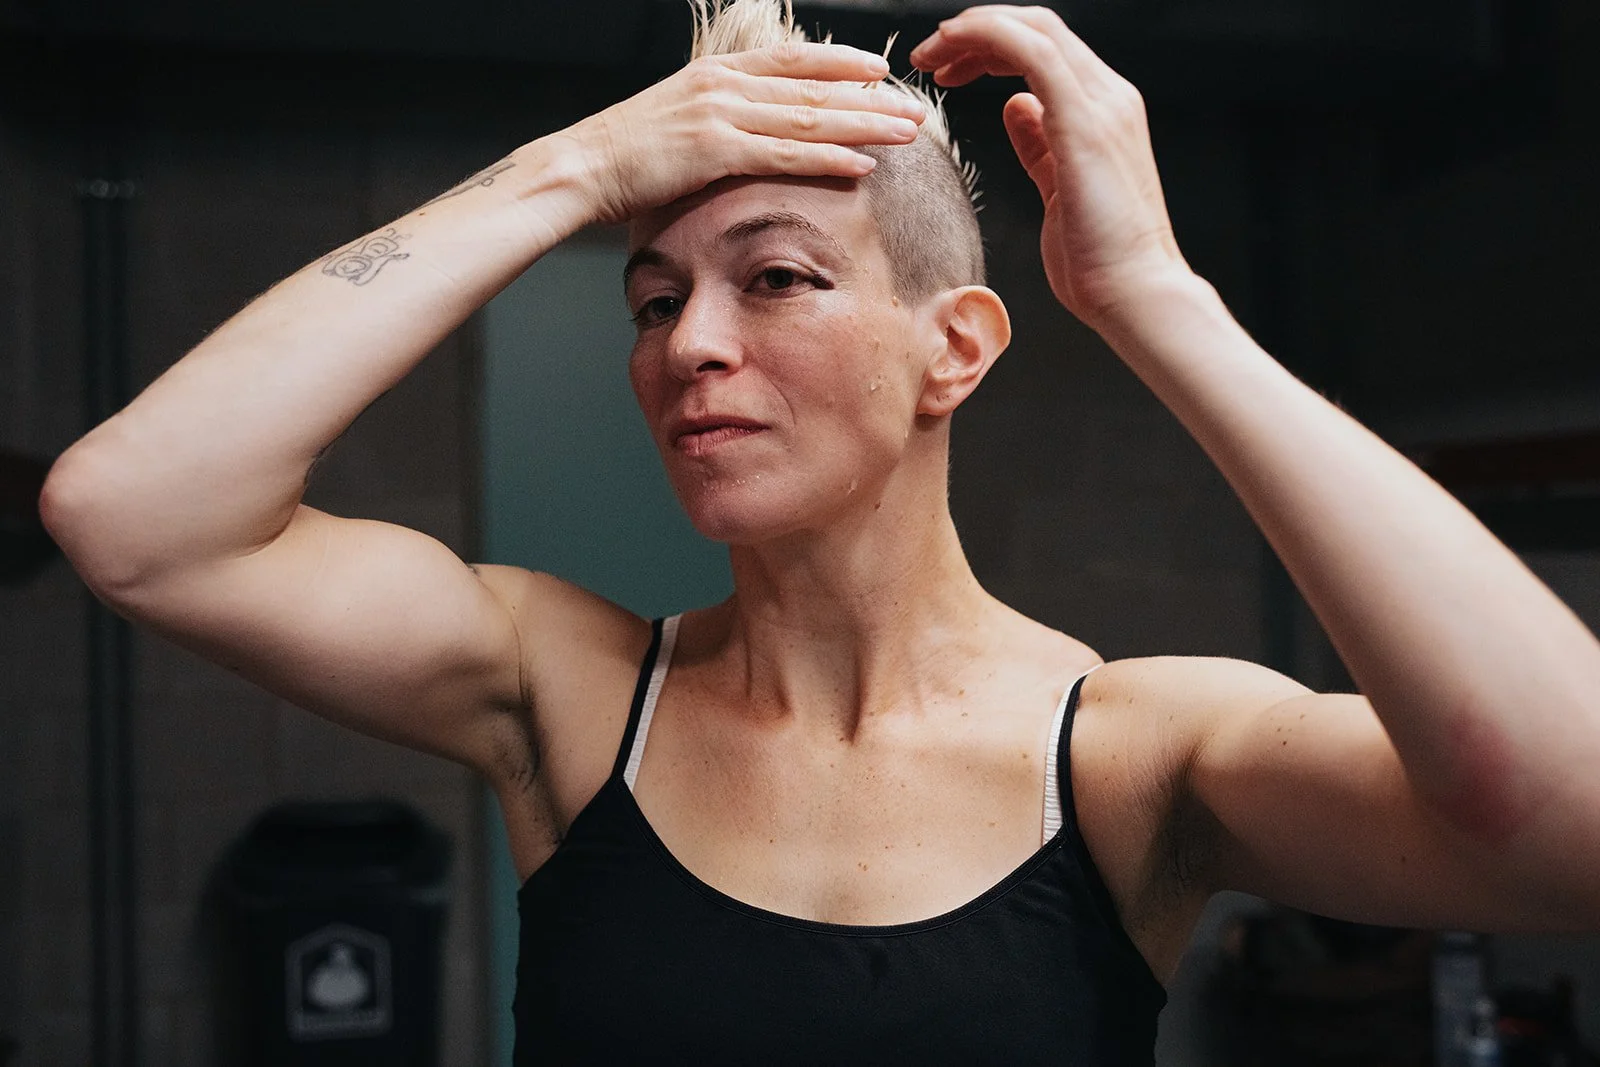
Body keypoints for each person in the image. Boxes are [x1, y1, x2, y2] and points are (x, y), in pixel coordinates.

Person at [40, 0, 1600, 1062]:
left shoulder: (1131, 753)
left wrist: (1161, 307)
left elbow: (1570, 817)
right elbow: (134, 517)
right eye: (652, 298)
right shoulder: (569, 693)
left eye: (774, 277)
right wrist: (573, 168)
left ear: (957, 348)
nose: (685, 347)